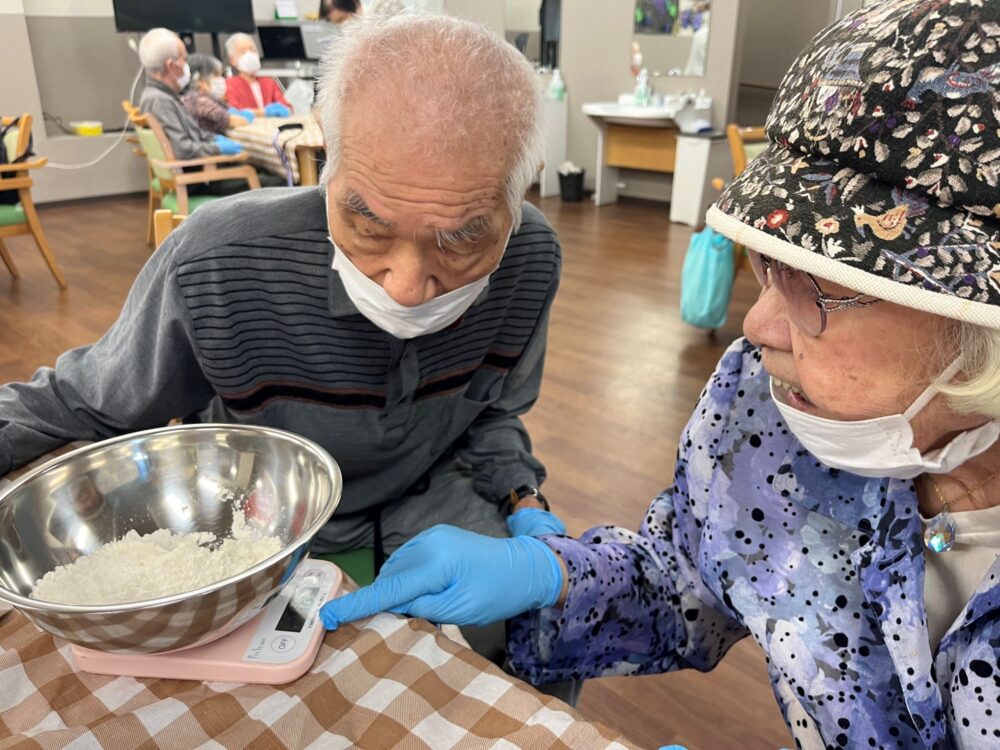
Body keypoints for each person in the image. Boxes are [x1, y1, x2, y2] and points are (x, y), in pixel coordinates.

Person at [319, 1, 1000, 745]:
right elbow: (690, 581)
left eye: (822, 285)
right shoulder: (764, 409)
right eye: (766, 264)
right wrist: (554, 576)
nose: (756, 326)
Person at [0, 14, 574, 702]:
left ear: (520, 193)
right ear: (324, 157)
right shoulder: (219, 261)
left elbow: (495, 412)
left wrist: (525, 497)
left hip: (431, 489)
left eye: (461, 239)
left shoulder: (531, 261)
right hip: (260, 512)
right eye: (368, 224)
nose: (405, 284)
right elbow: (81, 400)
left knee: (533, 643)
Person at [137, 28, 243, 160]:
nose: (187, 66)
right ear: (171, 66)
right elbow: (183, 149)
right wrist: (217, 148)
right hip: (204, 174)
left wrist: (214, 138)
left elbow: (193, 134)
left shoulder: (163, 96)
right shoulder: (160, 101)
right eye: (184, 60)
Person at [224, 32, 292, 117]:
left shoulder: (269, 83)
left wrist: (287, 110)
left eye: (252, 50)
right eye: (243, 52)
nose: (249, 55)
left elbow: (287, 108)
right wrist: (264, 113)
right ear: (232, 60)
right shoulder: (229, 84)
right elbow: (236, 112)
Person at [182, 53, 252, 135]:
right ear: (200, 81)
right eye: (216, 75)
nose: (221, 80)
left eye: (221, 75)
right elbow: (231, 120)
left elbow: (227, 110)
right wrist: (245, 117)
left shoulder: (206, 97)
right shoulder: (199, 100)